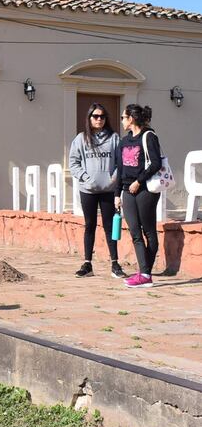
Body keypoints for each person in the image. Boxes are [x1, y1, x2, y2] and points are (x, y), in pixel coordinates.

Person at [68, 102, 125, 278]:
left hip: (108, 190)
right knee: (89, 226)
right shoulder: (81, 138)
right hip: (88, 190)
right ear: (89, 118)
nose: (99, 119)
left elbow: (120, 162)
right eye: (95, 116)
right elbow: (73, 163)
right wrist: (86, 178)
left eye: (102, 116)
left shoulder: (114, 138)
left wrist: (113, 178)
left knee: (110, 227)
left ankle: (115, 264)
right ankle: (87, 265)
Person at [114, 103, 162, 289]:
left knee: (149, 231)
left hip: (145, 190)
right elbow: (120, 169)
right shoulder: (124, 141)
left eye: (123, 117)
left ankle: (144, 274)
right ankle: (145, 273)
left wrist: (139, 181)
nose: (122, 121)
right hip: (127, 191)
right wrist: (117, 194)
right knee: (135, 232)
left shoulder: (149, 136)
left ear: (131, 118)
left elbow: (156, 163)